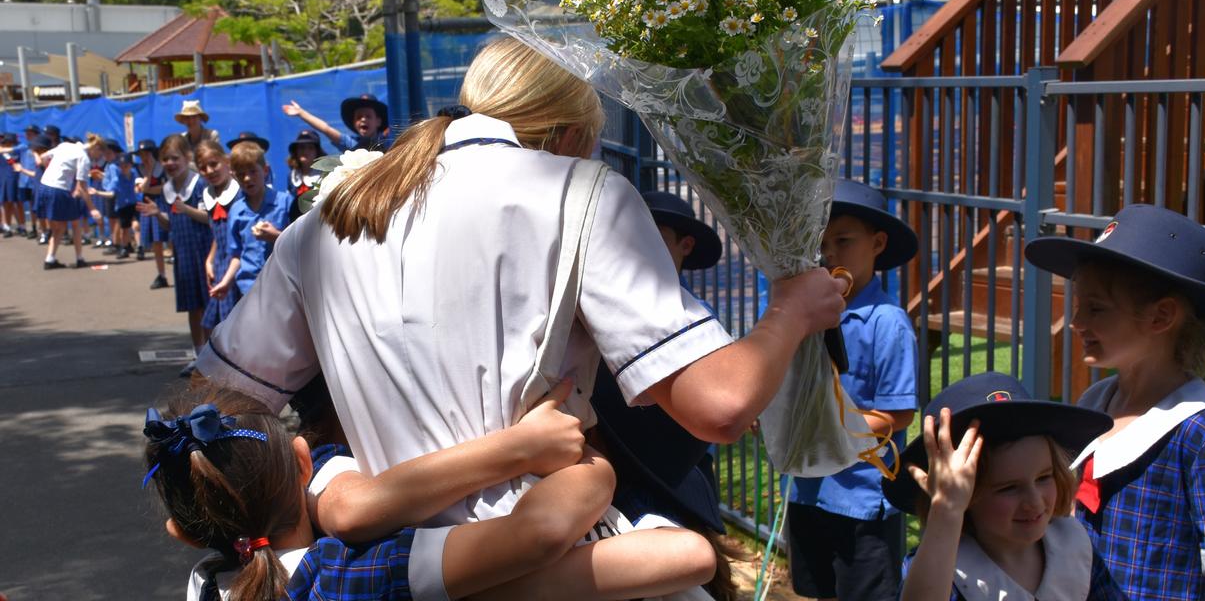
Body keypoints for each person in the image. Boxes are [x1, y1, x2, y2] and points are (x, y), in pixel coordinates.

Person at [194, 38, 845, 536]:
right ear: (569, 138)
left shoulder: (327, 222)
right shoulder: (582, 194)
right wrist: (790, 309)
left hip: (389, 561)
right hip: (543, 551)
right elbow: (720, 404)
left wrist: (328, 480)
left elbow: (210, 406)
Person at [145, 383, 717, 601]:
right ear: (303, 461)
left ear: (182, 531)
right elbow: (539, 532)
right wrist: (589, 460)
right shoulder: (351, 576)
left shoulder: (209, 587)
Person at [1025, 204, 1205, 601]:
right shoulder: (1096, 402)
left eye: (1096, 308)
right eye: (1078, 306)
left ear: (1161, 317)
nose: (1075, 322)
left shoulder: (1203, 436)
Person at [590, 189, 738, 599]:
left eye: (652, 233)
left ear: (685, 245)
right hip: (623, 461)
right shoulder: (604, 301)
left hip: (682, 467)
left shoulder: (697, 317)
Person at [785, 179, 919, 601]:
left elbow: (898, 416)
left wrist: (828, 426)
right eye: (822, 243)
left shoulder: (887, 322)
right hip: (809, 489)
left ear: (878, 243)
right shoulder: (811, 317)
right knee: (818, 590)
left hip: (862, 498)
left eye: (843, 241)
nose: (830, 254)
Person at [884, 372, 1124, 600]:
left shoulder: (1072, 546)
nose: (1034, 501)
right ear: (965, 499)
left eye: (1043, 478)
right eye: (1008, 488)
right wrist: (946, 510)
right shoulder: (944, 568)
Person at [138, 134, 213, 349]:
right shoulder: (167, 188)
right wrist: (157, 214)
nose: (170, 163)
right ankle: (198, 353)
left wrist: (186, 209)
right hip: (182, 253)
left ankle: (212, 355)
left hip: (204, 251)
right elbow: (170, 225)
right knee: (192, 307)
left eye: (174, 158)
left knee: (209, 306)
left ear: (187, 157)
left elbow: (209, 218)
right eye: (165, 159)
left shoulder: (199, 184)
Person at [211, 142, 290, 301]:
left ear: (265, 170)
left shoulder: (285, 202)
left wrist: (276, 236)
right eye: (241, 174)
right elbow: (237, 254)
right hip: (249, 288)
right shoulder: (236, 210)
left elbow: (299, 245)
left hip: (282, 285)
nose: (247, 178)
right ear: (234, 176)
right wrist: (225, 282)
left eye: (253, 172)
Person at [37, 133, 111, 269]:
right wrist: (93, 208)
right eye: (99, 153)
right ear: (96, 147)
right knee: (74, 222)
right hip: (59, 190)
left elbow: (43, 157)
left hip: (43, 187)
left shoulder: (65, 146)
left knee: (60, 226)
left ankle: (50, 259)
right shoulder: (84, 158)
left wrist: (52, 171)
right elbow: (83, 187)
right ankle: (78, 258)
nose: (98, 157)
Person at [196, 141, 242, 331]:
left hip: (239, 263)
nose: (210, 170)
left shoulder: (239, 193)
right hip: (220, 262)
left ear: (226, 161)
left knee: (235, 321)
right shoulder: (209, 194)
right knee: (216, 324)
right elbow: (218, 232)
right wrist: (210, 259)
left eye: (214, 164)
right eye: (203, 167)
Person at [282, 94, 389, 152]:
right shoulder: (351, 144)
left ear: (378, 121)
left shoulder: (390, 141)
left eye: (368, 116)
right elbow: (326, 129)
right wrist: (301, 113)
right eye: (359, 117)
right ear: (354, 122)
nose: (363, 119)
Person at [133, 139, 170, 286]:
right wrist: (149, 173)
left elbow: (165, 188)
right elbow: (143, 189)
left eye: (147, 153)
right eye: (141, 154)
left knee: (166, 238)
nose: (144, 157)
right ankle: (161, 274)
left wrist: (149, 188)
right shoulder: (139, 168)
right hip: (148, 204)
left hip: (162, 203)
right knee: (156, 243)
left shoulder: (162, 167)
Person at [96, 150, 140, 259]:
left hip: (134, 204)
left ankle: (140, 247)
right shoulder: (118, 178)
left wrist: (140, 187)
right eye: (121, 166)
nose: (123, 168)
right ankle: (125, 247)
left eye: (126, 165)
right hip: (122, 206)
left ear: (130, 165)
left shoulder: (134, 173)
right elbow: (111, 193)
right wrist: (97, 192)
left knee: (136, 225)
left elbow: (140, 183)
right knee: (125, 228)